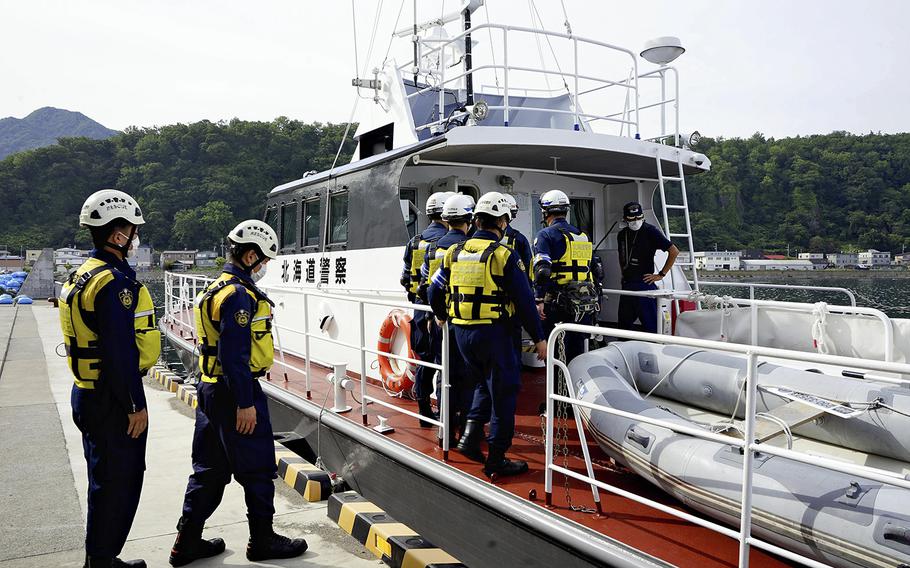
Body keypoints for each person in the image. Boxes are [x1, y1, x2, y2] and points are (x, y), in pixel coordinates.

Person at [169, 220, 307, 566]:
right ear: (250, 256)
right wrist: (246, 404)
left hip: (210, 390)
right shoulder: (238, 297)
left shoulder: (216, 287)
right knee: (258, 469)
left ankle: (186, 542)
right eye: (264, 261)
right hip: (235, 393)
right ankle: (262, 540)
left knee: (209, 470)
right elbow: (234, 358)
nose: (264, 268)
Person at [59, 189, 160, 568]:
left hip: (87, 391)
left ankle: (100, 558)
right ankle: (101, 561)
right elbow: (120, 353)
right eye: (132, 232)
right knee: (119, 483)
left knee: (104, 479)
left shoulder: (84, 274)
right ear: (118, 234)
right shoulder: (113, 284)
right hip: (112, 399)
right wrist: (135, 404)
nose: (134, 239)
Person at [427, 191, 547, 477]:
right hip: (495, 335)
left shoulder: (455, 253)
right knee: (504, 394)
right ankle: (496, 459)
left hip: (462, 335)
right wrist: (540, 338)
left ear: (477, 220)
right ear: (503, 222)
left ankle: (469, 438)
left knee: (482, 384)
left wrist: (442, 315)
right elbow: (525, 301)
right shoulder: (504, 255)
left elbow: (433, 289)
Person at [417, 193, 474, 445]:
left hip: (438, 319)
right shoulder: (468, 248)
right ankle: (465, 427)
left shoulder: (430, 247)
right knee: (468, 374)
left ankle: (445, 428)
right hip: (465, 320)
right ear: (468, 219)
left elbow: (425, 284)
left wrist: (435, 314)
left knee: (443, 371)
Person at [399, 191, 452, 426]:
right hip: (441, 313)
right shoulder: (450, 242)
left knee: (424, 361)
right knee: (444, 363)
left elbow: (404, 278)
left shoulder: (414, 241)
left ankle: (423, 412)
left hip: (420, 310)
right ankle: (444, 412)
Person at [532, 189, 601, 366]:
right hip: (583, 303)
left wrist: (539, 299)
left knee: (555, 352)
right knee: (577, 353)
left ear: (545, 212)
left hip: (557, 304)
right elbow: (595, 270)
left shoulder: (545, 235)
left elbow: (542, 272)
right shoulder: (583, 236)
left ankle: (555, 391)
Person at [616, 201, 679, 333]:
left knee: (651, 326)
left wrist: (661, 274)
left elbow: (674, 251)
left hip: (645, 282)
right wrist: (624, 274)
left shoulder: (650, 231)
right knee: (623, 325)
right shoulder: (622, 235)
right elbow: (621, 256)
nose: (635, 221)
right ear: (625, 219)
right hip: (627, 284)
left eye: (638, 217)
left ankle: (653, 349)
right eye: (632, 218)